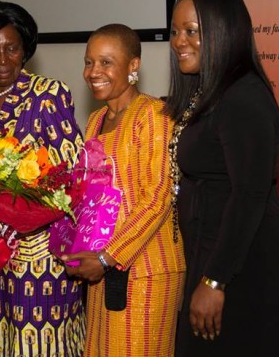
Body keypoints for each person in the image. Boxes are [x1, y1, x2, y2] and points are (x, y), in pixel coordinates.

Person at [166, 0, 279, 357]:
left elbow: (248, 195)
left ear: (223, 31)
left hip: (248, 260)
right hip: (216, 250)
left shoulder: (244, 96)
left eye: (192, 31)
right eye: (175, 31)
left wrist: (215, 281)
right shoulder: (207, 92)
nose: (179, 41)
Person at [0, 1, 86, 356]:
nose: (2, 60)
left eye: (11, 48)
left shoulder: (48, 95)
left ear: (25, 49)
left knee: (42, 347)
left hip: (39, 259)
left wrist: (21, 217)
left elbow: (69, 173)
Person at [62, 24, 185, 356]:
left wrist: (106, 257)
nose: (93, 72)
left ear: (133, 66)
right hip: (104, 270)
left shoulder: (154, 115)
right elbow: (92, 197)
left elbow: (158, 198)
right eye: (89, 62)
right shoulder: (96, 120)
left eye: (106, 62)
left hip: (147, 271)